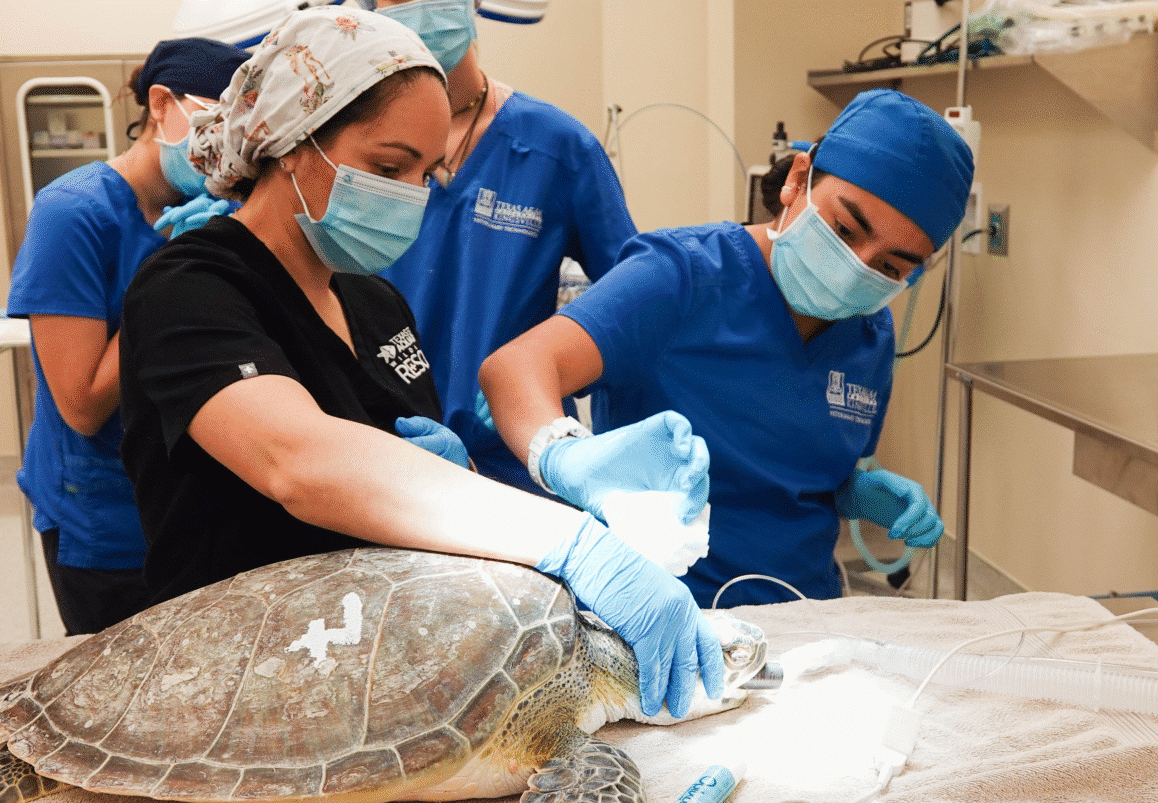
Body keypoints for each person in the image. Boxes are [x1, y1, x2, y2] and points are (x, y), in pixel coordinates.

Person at [117, 5, 720, 720]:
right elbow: (297, 461)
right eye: (388, 167)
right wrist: (574, 544)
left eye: (426, 172)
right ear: (291, 140)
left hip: (371, 687)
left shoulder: (377, 305)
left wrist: (468, 471)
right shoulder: (189, 290)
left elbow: (423, 498)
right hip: (234, 693)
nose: (412, 196)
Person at [479, 89, 975, 608]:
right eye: (846, 230)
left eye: (891, 268)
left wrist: (855, 491)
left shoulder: (870, 335)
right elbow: (515, 367)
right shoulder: (681, 276)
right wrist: (565, 455)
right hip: (666, 611)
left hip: (807, 615)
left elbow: (805, 467)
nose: (858, 268)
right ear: (798, 180)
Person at [5, 37, 250, 636]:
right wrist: (169, 274)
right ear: (162, 105)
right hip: (106, 525)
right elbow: (82, 403)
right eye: (215, 123)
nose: (226, 150)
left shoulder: (220, 211)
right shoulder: (75, 213)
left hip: (197, 509)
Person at [360, 0, 641, 494]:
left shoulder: (556, 147)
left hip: (515, 463)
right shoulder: (359, 147)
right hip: (388, 454)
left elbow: (634, 303)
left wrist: (561, 370)